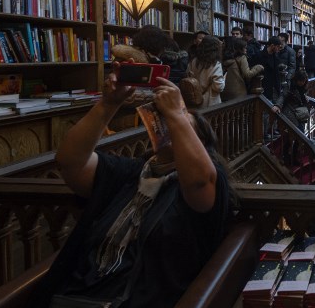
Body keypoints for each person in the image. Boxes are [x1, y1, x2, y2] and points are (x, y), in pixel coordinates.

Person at [31, 74, 233, 307]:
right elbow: (70, 161)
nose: (168, 124)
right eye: (164, 119)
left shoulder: (200, 186)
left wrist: (177, 113)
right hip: (77, 294)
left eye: (183, 125)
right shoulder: (128, 173)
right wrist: (109, 103)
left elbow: (200, 180)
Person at [186, 35, 225, 108]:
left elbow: (189, 77)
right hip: (210, 101)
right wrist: (223, 80)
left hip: (195, 99)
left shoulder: (193, 61)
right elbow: (218, 87)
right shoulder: (215, 64)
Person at [221, 37, 264, 101]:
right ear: (240, 48)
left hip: (225, 92)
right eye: (244, 47)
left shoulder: (225, 58)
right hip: (239, 92)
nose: (246, 49)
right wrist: (259, 67)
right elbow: (248, 74)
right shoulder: (241, 57)